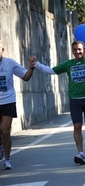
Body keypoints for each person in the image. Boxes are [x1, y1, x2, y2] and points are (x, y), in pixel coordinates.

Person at [33, 41, 85, 165]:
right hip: (75, 100)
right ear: (72, 51)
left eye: (79, 49)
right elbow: (50, 71)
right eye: (75, 50)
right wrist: (36, 64)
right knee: (77, 126)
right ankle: (80, 153)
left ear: (84, 50)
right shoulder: (68, 64)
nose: (77, 52)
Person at [0, 40, 36, 169]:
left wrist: (31, 67)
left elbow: (25, 77)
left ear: (2, 50)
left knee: (5, 131)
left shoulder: (10, 63)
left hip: (8, 101)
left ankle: (7, 159)